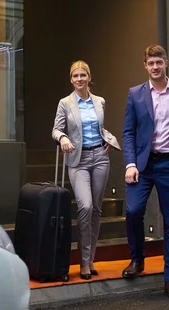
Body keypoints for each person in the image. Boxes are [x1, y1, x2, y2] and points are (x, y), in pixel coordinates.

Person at [122, 45, 169, 299]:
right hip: (143, 166)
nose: (155, 67)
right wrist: (130, 163)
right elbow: (128, 132)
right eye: (150, 63)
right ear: (145, 65)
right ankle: (137, 259)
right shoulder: (135, 94)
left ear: (166, 63)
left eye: (159, 62)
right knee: (132, 211)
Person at [52, 61, 121, 280]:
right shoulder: (65, 103)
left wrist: (108, 137)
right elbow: (56, 129)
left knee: (97, 209)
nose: (80, 79)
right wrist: (62, 138)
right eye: (76, 76)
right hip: (78, 160)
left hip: (100, 156)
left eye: (83, 75)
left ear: (89, 77)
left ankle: (91, 260)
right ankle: (82, 262)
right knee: (86, 206)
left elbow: (96, 128)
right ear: (71, 79)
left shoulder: (99, 101)